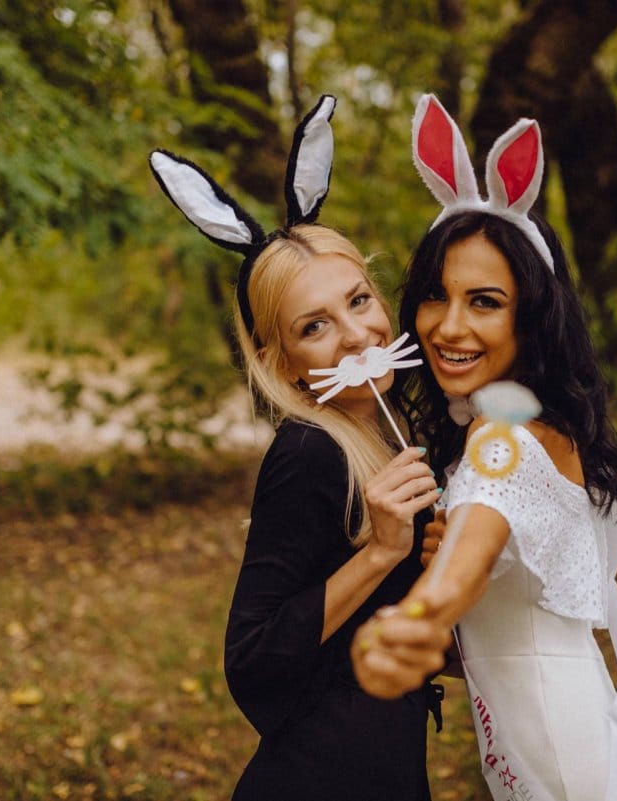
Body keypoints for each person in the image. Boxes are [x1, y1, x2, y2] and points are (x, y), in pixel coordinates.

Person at [350, 95, 617, 801]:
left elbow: (477, 538)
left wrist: (425, 609)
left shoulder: (504, 440)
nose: (447, 325)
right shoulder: (529, 426)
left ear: (534, 314)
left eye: (484, 301)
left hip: (566, 759)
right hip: (554, 742)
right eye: (435, 295)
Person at [150, 96, 443, 801]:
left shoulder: (395, 429)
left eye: (360, 300)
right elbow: (252, 659)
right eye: (315, 326)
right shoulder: (310, 452)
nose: (356, 334)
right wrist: (380, 551)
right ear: (284, 363)